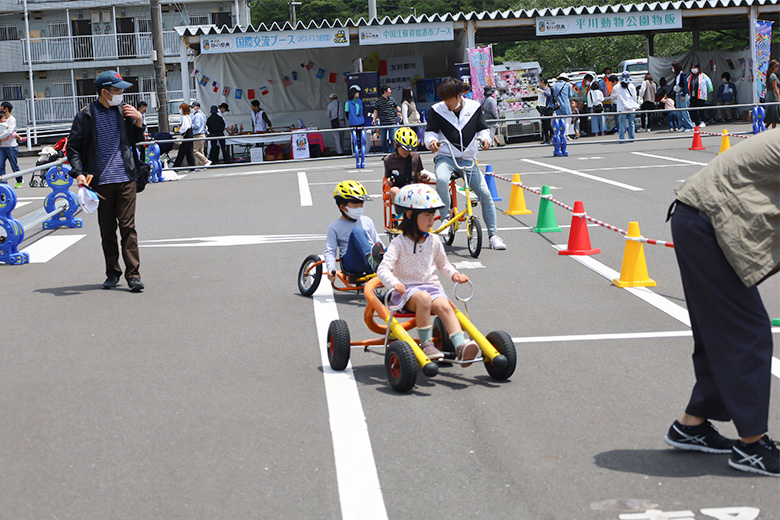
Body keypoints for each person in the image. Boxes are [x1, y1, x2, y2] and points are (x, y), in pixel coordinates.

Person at [663, 128, 779, 477]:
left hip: (696, 217)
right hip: (705, 222)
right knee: (746, 333)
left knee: (720, 333)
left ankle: (692, 425)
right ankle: (752, 446)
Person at [377, 183, 479, 364]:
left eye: (433, 215)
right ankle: (426, 344)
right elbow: (383, 268)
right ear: (410, 215)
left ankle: (460, 346)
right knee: (423, 298)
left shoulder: (433, 240)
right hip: (406, 293)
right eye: (426, 215)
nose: (432, 220)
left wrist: (454, 275)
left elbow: (443, 264)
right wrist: (394, 284)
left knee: (445, 306)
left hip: (432, 288)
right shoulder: (399, 242)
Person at [66, 70, 146, 292]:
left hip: (126, 178)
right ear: (104, 92)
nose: (121, 94)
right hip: (100, 183)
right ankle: (112, 272)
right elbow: (73, 147)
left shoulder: (125, 111)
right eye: (117, 90)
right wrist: (78, 172)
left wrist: (139, 121)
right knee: (107, 229)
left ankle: (133, 275)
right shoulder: (86, 115)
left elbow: (135, 140)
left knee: (128, 227)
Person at [424, 77, 506, 251]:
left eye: (449, 100)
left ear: (460, 95)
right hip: (446, 157)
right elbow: (430, 132)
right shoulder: (436, 110)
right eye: (444, 100)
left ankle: (493, 236)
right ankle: (445, 217)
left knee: (485, 193)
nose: (446, 104)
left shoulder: (474, 106)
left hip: (468, 159)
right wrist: (431, 142)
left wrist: (486, 139)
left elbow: (482, 128)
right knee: (442, 180)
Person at [324, 180, 382, 279]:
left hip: (374, 261)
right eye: (355, 206)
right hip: (353, 264)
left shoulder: (367, 220)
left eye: (361, 205)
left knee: (395, 245)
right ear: (342, 207)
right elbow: (330, 251)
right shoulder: (334, 227)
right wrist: (331, 268)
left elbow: (377, 242)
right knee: (357, 231)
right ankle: (371, 260)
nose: (359, 208)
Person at [383, 127, 429, 203]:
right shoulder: (388, 160)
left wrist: (425, 178)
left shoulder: (415, 156)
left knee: (431, 192)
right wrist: (389, 180)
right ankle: (400, 214)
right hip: (399, 188)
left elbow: (418, 176)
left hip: (414, 188)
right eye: (404, 149)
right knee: (394, 190)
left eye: (409, 150)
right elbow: (387, 178)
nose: (407, 152)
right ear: (395, 145)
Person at [0, 101, 23, 188]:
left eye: (1, 107)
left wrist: (0, 137)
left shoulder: (12, 120)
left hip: (11, 146)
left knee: (14, 165)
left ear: (6, 109)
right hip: (2, 146)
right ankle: (4, 184)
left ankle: (19, 180)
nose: (0, 109)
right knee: (1, 166)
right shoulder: (1, 118)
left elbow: (10, 131)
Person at [373, 84, 400, 153]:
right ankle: (387, 152)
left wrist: (402, 110)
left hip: (392, 122)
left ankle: (392, 153)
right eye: (389, 90)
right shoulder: (378, 101)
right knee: (383, 140)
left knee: (393, 139)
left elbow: (397, 108)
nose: (390, 91)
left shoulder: (392, 99)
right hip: (383, 123)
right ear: (385, 91)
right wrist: (374, 120)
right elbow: (375, 111)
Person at [614, 71, 639, 142]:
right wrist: (633, 105)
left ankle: (622, 138)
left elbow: (620, 97)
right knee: (631, 123)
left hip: (622, 108)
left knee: (622, 123)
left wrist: (625, 104)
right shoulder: (632, 86)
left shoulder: (619, 87)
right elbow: (634, 97)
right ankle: (632, 138)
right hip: (631, 108)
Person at [345, 85, 366, 168]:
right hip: (354, 123)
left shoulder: (359, 101)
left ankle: (361, 153)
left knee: (361, 138)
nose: (358, 94)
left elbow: (361, 111)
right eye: (357, 92)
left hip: (360, 122)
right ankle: (356, 153)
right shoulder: (348, 103)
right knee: (355, 139)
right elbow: (346, 112)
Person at [687, 62, 713, 128]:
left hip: (701, 95)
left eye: (695, 67)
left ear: (698, 68)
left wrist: (709, 91)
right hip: (692, 95)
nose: (693, 69)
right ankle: (694, 121)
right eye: (692, 68)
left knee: (701, 108)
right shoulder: (690, 77)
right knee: (693, 109)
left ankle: (702, 121)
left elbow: (709, 84)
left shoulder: (703, 76)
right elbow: (686, 84)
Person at [672, 61, 695, 131]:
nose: (672, 69)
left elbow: (685, 86)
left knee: (684, 111)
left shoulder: (683, 75)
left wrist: (684, 94)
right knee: (679, 111)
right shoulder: (676, 76)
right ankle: (682, 126)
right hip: (677, 94)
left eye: (673, 67)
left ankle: (689, 126)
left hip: (683, 95)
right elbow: (674, 85)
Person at [173, 103, 195, 168]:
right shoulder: (188, 116)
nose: (180, 110)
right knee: (189, 152)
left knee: (182, 152)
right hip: (190, 135)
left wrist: (180, 129)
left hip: (187, 135)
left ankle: (176, 166)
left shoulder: (184, 117)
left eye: (181, 109)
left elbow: (185, 127)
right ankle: (192, 167)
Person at [190, 101, 211, 167]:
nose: (192, 108)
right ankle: (201, 166)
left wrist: (190, 125)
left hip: (198, 135)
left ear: (197, 107)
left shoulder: (197, 115)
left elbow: (197, 126)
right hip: (202, 134)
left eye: (193, 107)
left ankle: (206, 161)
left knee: (194, 150)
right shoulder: (202, 114)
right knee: (200, 151)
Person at [764, 59, 779, 129]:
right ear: (774, 67)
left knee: (772, 116)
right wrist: (779, 97)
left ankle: (764, 128)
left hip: (770, 97)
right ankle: (772, 131)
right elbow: (775, 87)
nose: (777, 69)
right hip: (773, 97)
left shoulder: (770, 75)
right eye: (777, 67)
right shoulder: (773, 76)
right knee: (774, 116)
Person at [539, 78, 555, 144]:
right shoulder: (543, 89)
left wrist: (541, 91)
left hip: (549, 108)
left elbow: (548, 94)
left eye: (539, 82)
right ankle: (547, 139)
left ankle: (555, 134)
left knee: (547, 124)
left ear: (542, 82)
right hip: (544, 108)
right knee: (544, 124)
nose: (539, 83)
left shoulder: (547, 88)